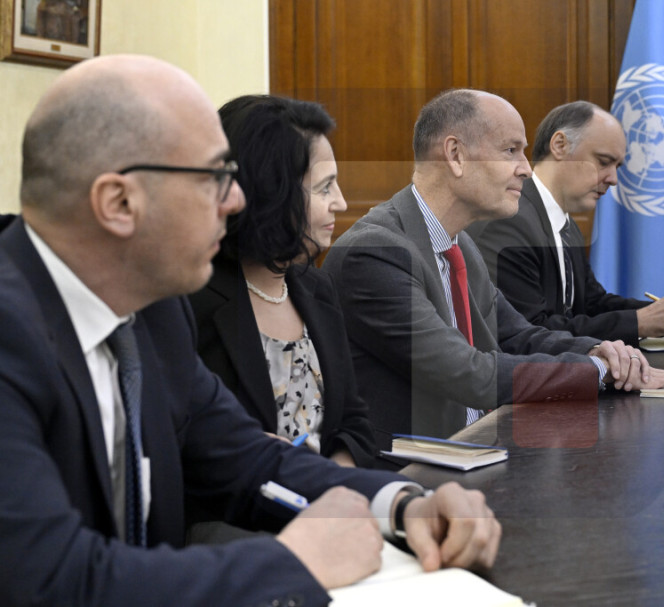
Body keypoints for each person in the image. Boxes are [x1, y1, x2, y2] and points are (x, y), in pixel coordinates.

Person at [0, 55, 500, 607]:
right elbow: (48, 580)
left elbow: (247, 459)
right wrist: (293, 562)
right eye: (215, 177)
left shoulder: (156, 314)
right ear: (119, 203)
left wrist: (404, 504)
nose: (236, 199)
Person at [322, 89, 664, 444]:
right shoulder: (373, 252)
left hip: (480, 447)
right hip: (409, 469)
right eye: (511, 150)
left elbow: (518, 336)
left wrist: (600, 351)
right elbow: (467, 373)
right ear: (456, 155)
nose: (526, 169)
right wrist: (598, 371)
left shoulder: (459, 243)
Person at [188, 95, 374, 468]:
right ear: (271, 192)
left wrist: (334, 480)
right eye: (324, 187)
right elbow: (189, 442)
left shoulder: (316, 288)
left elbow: (353, 420)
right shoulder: (192, 301)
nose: (340, 202)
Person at [468, 101, 664, 346]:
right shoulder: (508, 222)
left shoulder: (565, 225)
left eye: (616, 166)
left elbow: (591, 303)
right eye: (603, 162)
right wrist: (638, 322)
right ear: (560, 145)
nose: (613, 179)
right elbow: (529, 331)